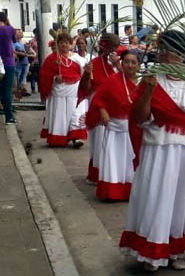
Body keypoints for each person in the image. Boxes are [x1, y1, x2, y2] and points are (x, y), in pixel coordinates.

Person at [119, 30, 185, 272]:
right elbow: (141, 118)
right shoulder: (152, 78)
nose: (164, 54)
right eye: (162, 49)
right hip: (159, 149)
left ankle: (178, 249)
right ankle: (151, 250)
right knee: (156, 196)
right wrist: (148, 92)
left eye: (171, 50)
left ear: (184, 54)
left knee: (183, 201)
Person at [88, 50, 139, 201]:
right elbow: (99, 99)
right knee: (114, 161)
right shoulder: (113, 80)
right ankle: (112, 191)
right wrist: (103, 110)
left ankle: (133, 190)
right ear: (121, 64)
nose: (129, 65)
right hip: (115, 129)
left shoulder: (143, 83)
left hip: (134, 130)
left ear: (138, 65)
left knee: (131, 161)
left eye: (133, 62)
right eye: (126, 62)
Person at [39, 32, 91, 147]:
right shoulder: (52, 58)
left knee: (75, 113)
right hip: (58, 92)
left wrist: (88, 71)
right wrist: (54, 78)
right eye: (61, 43)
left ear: (71, 44)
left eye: (67, 43)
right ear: (57, 44)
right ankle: (57, 137)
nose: (64, 45)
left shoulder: (77, 58)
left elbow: (84, 73)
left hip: (74, 91)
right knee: (60, 113)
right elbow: (44, 76)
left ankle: (75, 137)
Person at [84, 33, 121, 184]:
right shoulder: (94, 63)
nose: (113, 51)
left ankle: (114, 175)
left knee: (115, 144)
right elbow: (87, 89)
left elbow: (130, 83)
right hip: (98, 106)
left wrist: (118, 65)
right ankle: (97, 174)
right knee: (99, 141)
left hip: (117, 108)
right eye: (111, 47)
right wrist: (87, 74)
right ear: (103, 47)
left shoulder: (121, 63)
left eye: (115, 48)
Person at [0, 12, 17, 124]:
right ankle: (9, 116)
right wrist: (8, 22)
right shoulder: (9, 29)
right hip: (8, 62)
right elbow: (14, 39)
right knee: (7, 90)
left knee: (1, 89)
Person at [13, 29, 30, 99]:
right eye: (19, 32)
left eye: (21, 32)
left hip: (25, 63)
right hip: (18, 64)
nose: (21, 33)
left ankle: (20, 94)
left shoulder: (23, 42)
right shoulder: (14, 43)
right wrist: (21, 53)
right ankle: (16, 95)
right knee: (17, 79)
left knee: (22, 79)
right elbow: (13, 52)